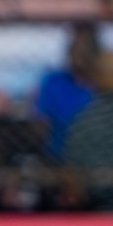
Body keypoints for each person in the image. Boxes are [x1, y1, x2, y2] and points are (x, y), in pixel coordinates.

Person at [33, 22, 99, 159]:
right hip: (61, 156)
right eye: (77, 44)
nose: (82, 51)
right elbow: (40, 124)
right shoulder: (54, 82)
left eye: (87, 45)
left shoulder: (105, 87)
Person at [63, 50, 113, 210]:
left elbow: (73, 187)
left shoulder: (84, 121)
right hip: (99, 206)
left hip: (96, 209)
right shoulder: (85, 121)